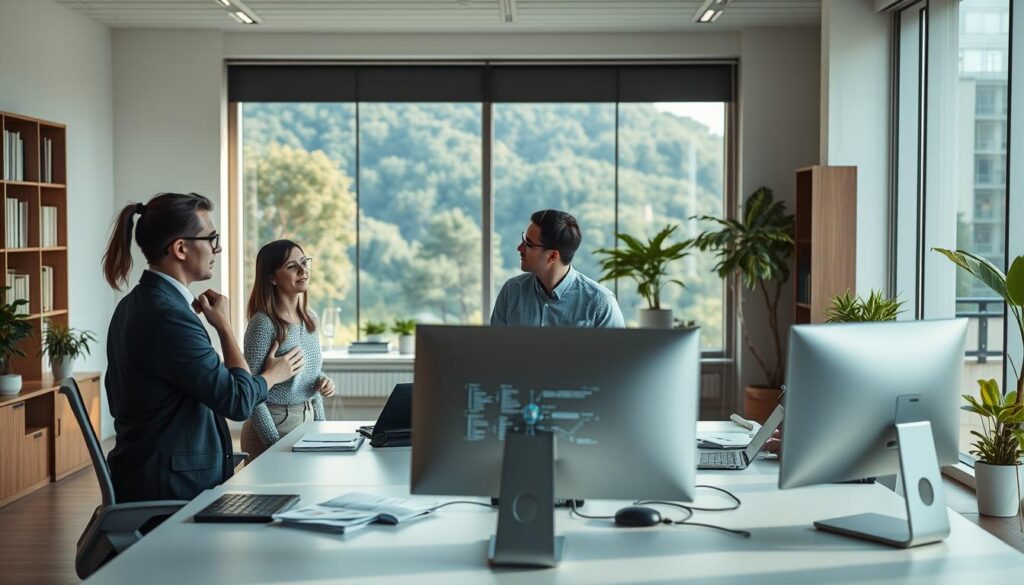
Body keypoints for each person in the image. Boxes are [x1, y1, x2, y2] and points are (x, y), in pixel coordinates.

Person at [102, 192, 304, 502]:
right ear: (181, 248)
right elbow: (237, 403)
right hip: (169, 486)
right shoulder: (168, 317)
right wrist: (269, 372)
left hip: (154, 472)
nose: (217, 248)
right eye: (211, 239)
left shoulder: (138, 303)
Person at [241, 240, 336, 461]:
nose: (303, 271)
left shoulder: (310, 318)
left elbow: (306, 377)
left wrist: (322, 381)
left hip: (308, 418)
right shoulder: (263, 324)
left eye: (305, 262)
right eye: (292, 266)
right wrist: (272, 442)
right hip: (272, 424)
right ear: (272, 277)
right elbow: (250, 392)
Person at [491, 209, 625, 328]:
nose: (519, 248)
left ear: (552, 256)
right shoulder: (511, 291)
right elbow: (495, 349)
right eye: (523, 240)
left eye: (528, 244)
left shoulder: (600, 303)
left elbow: (618, 355)